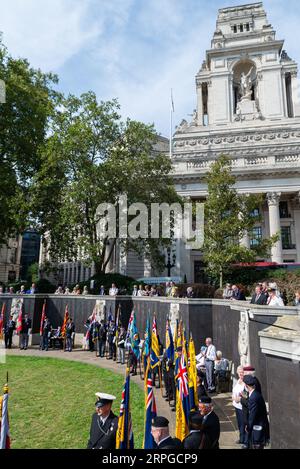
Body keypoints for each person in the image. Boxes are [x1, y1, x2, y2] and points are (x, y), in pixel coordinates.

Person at [243, 375, 269, 449]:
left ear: (246, 385)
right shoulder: (255, 394)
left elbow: (252, 416)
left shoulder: (254, 397)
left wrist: (248, 427)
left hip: (257, 430)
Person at [232, 365, 246, 446]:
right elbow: (234, 390)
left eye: (242, 372)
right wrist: (233, 396)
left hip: (242, 406)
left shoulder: (245, 382)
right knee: (239, 423)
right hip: (236, 406)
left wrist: (238, 398)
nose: (241, 374)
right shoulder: (238, 380)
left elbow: (245, 395)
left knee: (243, 423)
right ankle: (241, 438)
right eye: (239, 372)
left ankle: (244, 440)